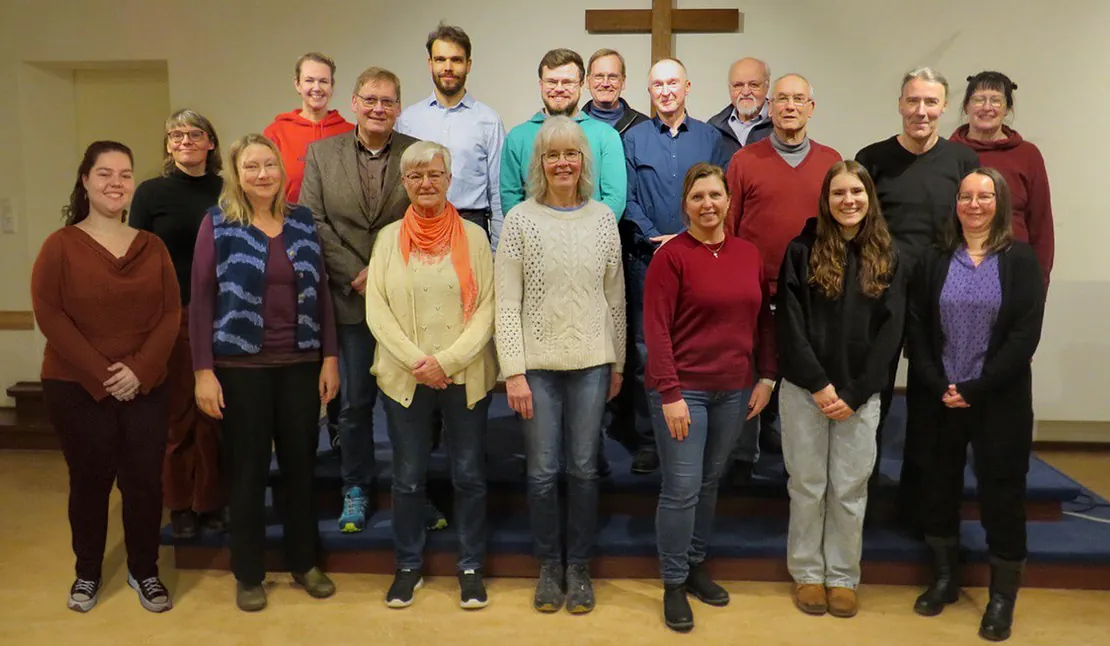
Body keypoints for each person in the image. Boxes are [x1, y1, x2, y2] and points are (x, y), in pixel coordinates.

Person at [191, 134, 340, 611]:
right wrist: (203, 371)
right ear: (237, 175)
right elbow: (201, 301)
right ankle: (249, 572)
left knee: (301, 468)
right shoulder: (218, 223)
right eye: (251, 166)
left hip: (300, 363)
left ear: (282, 169)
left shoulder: (302, 220)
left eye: (269, 164)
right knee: (247, 472)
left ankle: (304, 562)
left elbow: (322, 292)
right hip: (240, 368)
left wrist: (330, 357)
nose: (262, 174)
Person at [32, 141, 180, 613]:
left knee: (145, 483)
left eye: (125, 174)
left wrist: (139, 370)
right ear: (85, 181)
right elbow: (50, 314)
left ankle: (145, 570)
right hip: (76, 386)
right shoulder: (60, 245)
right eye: (104, 173)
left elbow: (171, 313)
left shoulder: (152, 247)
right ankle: (88, 573)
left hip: (146, 385)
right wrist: (103, 374)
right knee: (90, 483)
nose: (116, 183)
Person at [906, 168, 1045, 642]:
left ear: (1000, 203)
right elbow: (917, 326)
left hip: (998, 399)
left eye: (984, 196)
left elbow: (1024, 336)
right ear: (956, 204)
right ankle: (945, 579)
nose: (974, 204)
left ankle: (1002, 598)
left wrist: (976, 388)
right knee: (938, 487)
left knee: (1002, 495)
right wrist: (938, 383)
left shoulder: (1020, 260)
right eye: (966, 196)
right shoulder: (935, 258)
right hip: (939, 396)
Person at [495, 116, 625, 615]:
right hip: (538, 369)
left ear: (583, 161)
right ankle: (550, 565)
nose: (563, 163)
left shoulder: (603, 219)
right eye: (553, 155)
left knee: (585, 469)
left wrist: (617, 362)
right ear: (541, 163)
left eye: (571, 154)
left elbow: (615, 299)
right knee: (544, 471)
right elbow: (507, 303)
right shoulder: (520, 220)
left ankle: (580, 566)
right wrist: (514, 371)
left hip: (592, 362)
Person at [365, 141, 497, 610]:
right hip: (406, 379)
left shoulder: (475, 238)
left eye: (435, 174)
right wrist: (418, 363)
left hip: (464, 377)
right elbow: (377, 310)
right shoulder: (387, 240)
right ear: (404, 183)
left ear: (449, 179)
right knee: (406, 479)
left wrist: (448, 362)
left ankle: (471, 566)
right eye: (416, 176)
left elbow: (488, 308)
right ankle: (407, 566)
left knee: (469, 476)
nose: (426, 183)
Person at [644, 163, 774, 632]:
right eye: (698, 197)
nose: (707, 204)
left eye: (715, 195)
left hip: (735, 389)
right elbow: (656, 329)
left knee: (709, 482)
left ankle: (695, 564)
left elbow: (763, 322)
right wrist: (671, 392)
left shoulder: (748, 254)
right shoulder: (671, 256)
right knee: (681, 489)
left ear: (728, 201)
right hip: (684, 393)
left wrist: (767, 377)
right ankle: (673, 581)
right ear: (685, 205)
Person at [777, 161, 905, 619]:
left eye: (856, 192)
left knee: (850, 490)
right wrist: (818, 383)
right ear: (826, 200)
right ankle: (808, 573)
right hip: (804, 390)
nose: (848, 200)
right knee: (807, 486)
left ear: (869, 197)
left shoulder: (888, 254)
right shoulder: (801, 250)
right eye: (838, 193)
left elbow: (891, 333)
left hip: (860, 396)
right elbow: (789, 322)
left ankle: (843, 577)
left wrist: (855, 392)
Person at [855, 67, 979, 529]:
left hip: (942, 300)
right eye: (913, 101)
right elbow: (857, 227)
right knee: (872, 399)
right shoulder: (872, 159)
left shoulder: (963, 161)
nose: (921, 111)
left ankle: (919, 510)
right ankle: (860, 501)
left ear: (944, 107)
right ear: (900, 104)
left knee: (931, 406)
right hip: (879, 297)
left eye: (930, 102)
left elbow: (975, 227)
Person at [300, 66, 419, 533]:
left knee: (407, 404)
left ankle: (414, 491)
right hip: (347, 299)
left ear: (398, 107)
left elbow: (425, 216)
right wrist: (354, 273)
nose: (378, 109)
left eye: (387, 101)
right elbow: (313, 219)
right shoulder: (322, 154)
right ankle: (355, 487)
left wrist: (385, 272)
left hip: (402, 300)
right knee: (353, 404)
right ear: (353, 103)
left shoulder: (417, 153)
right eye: (370, 99)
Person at [725, 73, 842, 480]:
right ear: (769, 107)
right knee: (751, 371)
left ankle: (800, 457)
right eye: (782, 99)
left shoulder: (830, 161)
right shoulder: (744, 161)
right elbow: (729, 225)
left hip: (811, 291)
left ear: (811, 107)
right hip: (755, 289)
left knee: (801, 373)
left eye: (798, 99)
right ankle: (742, 456)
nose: (790, 106)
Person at [617, 58, 730, 475]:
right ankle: (651, 440)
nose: (665, 91)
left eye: (672, 83)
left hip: (702, 261)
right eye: (657, 85)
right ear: (649, 91)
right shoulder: (633, 139)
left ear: (687, 87)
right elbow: (627, 199)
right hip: (648, 260)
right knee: (648, 352)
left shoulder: (710, 138)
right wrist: (656, 238)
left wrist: (686, 239)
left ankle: (698, 435)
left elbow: (720, 196)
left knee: (697, 348)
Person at [129, 109, 225, 539]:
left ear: (210, 142)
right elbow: (136, 258)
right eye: (176, 135)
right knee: (179, 414)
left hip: (223, 314)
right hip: (173, 314)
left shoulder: (227, 191)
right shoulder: (150, 193)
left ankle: (212, 500)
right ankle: (181, 504)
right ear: (168, 145)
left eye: (194, 133)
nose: (185, 140)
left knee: (217, 414)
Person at [498, 48, 627, 248]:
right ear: (541, 84)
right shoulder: (517, 137)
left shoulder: (606, 136)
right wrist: (536, 238)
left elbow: (615, 198)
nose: (559, 89)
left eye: (567, 82)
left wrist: (587, 237)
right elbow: (510, 198)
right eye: (551, 82)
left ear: (582, 85)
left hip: (591, 244)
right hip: (535, 245)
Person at [397, 24, 505, 240]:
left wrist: (496, 248)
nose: (448, 67)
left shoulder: (489, 121)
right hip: (419, 226)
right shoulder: (408, 120)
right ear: (430, 64)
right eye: (440, 59)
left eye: (456, 60)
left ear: (468, 65)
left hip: (471, 225)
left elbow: (497, 193)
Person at [949, 71, 1053, 288]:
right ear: (966, 106)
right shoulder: (948, 153)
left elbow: (1040, 224)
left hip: (1015, 270)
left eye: (996, 100)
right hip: (957, 269)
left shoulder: (1028, 155)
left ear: (1007, 109)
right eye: (979, 99)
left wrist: (1039, 282)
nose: (987, 107)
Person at [264, 52, 355, 203]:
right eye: (309, 80)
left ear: (332, 86)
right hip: (287, 216)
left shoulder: (351, 133)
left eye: (323, 81)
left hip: (339, 218)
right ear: (297, 84)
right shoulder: (276, 133)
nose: (316, 88)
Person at [708, 57, 774, 158]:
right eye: (738, 85)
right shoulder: (713, 128)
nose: (745, 92)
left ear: (767, 86)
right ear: (730, 88)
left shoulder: (780, 125)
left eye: (753, 85)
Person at [581, 48, 649, 137]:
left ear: (623, 82)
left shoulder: (644, 126)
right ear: (588, 81)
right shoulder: (573, 126)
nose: (605, 84)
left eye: (612, 77)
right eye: (599, 77)